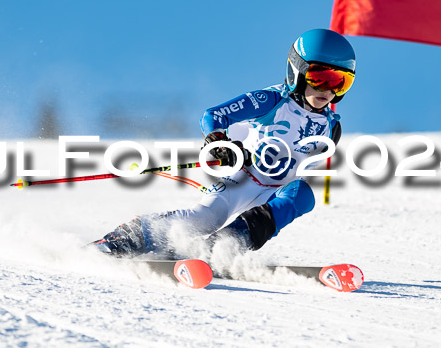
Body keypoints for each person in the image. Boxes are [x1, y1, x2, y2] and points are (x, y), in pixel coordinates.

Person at [92, 28, 356, 259]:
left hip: (271, 193)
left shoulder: (331, 128)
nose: (328, 90)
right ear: (297, 70)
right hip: (238, 180)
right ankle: (121, 240)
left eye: (341, 82)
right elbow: (214, 116)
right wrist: (220, 143)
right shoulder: (272, 101)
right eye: (319, 77)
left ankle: (222, 247)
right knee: (204, 220)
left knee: (302, 195)